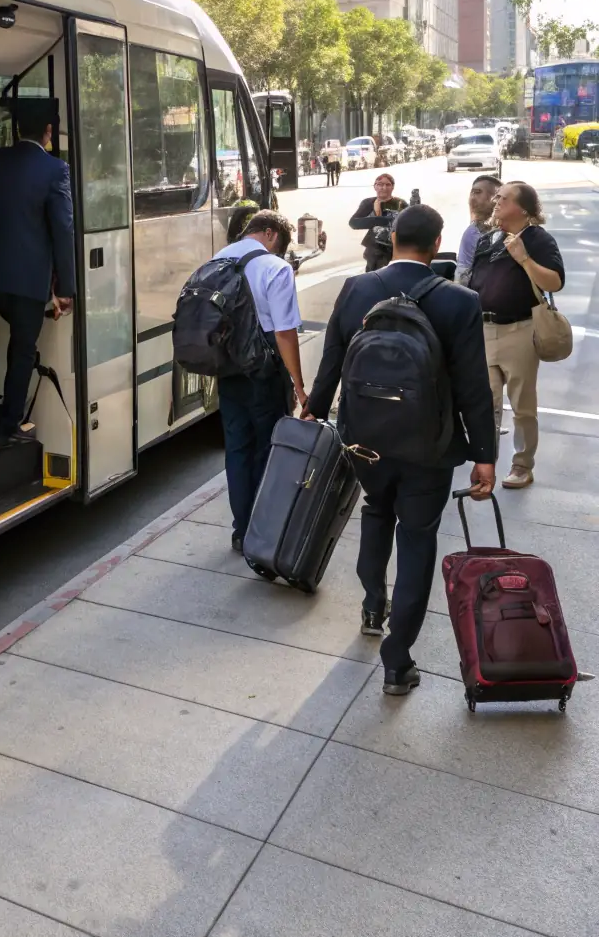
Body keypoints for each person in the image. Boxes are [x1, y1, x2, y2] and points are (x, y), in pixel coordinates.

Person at [304, 205, 496, 697]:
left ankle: (372, 603)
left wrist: (315, 412)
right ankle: (397, 661)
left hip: (364, 438)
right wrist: (483, 453)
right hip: (429, 448)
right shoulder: (459, 301)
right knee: (418, 538)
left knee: (375, 509)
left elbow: (332, 361)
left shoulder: (357, 289)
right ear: (436, 244)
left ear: (390, 241)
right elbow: (474, 387)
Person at [0, 104, 75, 448]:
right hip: (25, 286)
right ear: (48, 133)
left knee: (12, 331)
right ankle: (7, 428)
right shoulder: (55, 170)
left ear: (17, 129)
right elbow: (63, 228)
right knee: (23, 348)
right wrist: (65, 289)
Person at [216, 207, 306, 553]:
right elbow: (285, 332)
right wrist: (298, 384)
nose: (279, 252)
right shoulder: (275, 267)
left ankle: (241, 530)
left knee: (237, 446)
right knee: (267, 446)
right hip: (264, 365)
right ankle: (264, 528)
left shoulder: (218, 259)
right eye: (279, 244)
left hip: (227, 364)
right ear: (270, 233)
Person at [468, 181, 565, 489]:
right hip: (484, 330)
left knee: (522, 405)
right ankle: (486, 465)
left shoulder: (538, 240)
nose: (496, 201)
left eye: (503, 198)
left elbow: (555, 282)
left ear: (522, 209)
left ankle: (522, 465)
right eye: (497, 196)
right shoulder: (488, 239)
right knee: (487, 402)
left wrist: (524, 258)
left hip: (520, 330)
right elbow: (475, 283)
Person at [349, 172, 408, 271]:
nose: (383, 188)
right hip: (375, 249)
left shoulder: (400, 203)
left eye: (387, 184)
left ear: (392, 187)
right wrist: (379, 219)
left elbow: (409, 223)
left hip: (395, 249)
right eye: (380, 184)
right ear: (375, 187)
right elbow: (354, 223)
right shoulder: (368, 203)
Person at [455, 174, 502, 285]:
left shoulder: (512, 228)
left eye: (478, 192)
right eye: (472, 192)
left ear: (495, 198)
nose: (472, 197)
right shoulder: (472, 232)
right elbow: (462, 274)